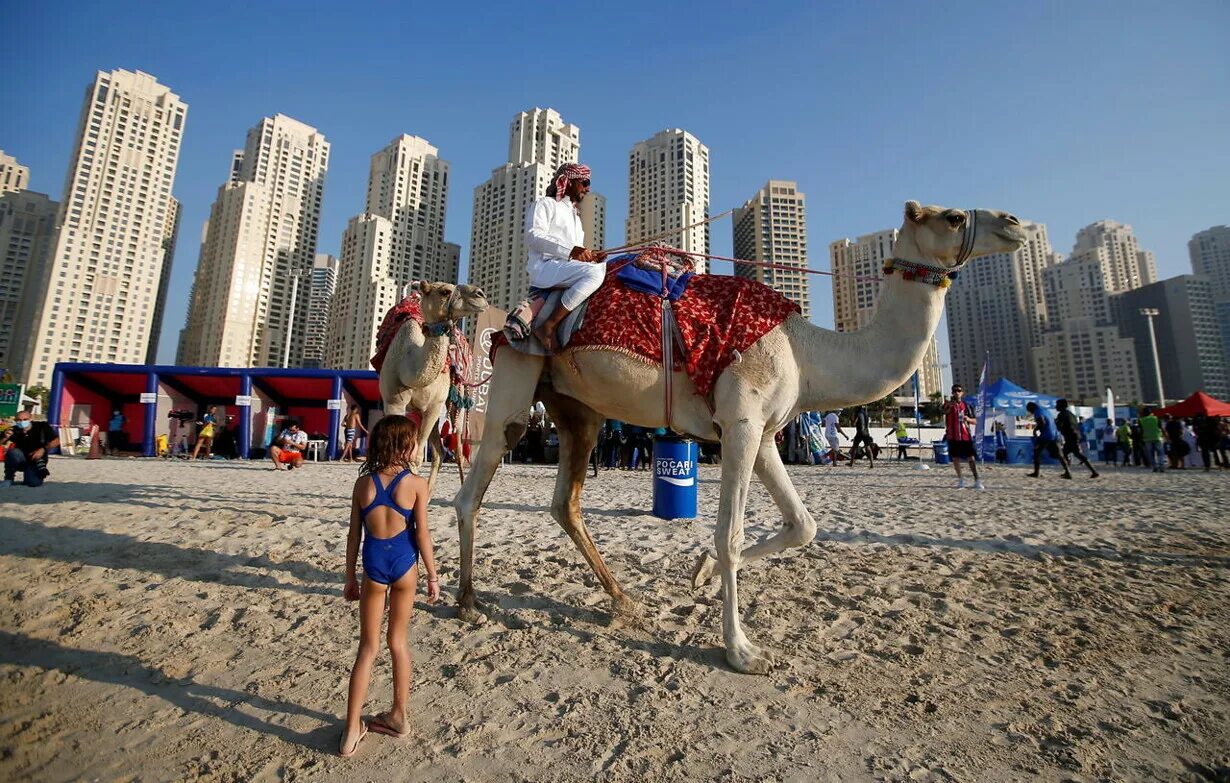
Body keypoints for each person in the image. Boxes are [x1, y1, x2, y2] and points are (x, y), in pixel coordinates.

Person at [339, 414, 439, 758]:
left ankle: (352, 729)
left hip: (373, 568)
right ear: (405, 445)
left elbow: (355, 535)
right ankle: (398, 715)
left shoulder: (362, 485)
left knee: (367, 648)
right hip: (404, 568)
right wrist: (433, 574)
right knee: (398, 642)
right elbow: (422, 533)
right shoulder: (416, 484)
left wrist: (350, 576)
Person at [525, 163, 606, 353]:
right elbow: (533, 236)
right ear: (568, 182)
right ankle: (548, 326)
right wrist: (572, 250)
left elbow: (575, 255)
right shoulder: (545, 204)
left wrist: (591, 257)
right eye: (584, 182)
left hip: (564, 269)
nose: (587, 188)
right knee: (595, 274)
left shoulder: (576, 218)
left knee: (603, 268)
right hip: (545, 267)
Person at [2, 411, 60, 487]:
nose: (22, 422)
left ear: (30, 418)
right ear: (15, 420)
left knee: (33, 483)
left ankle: (30, 474)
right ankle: (8, 479)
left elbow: (57, 440)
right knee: (13, 452)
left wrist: (43, 449)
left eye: (25, 419)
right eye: (19, 420)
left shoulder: (42, 427)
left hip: (36, 459)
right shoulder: (14, 430)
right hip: (20, 458)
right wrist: (5, 437)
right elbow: (1, 441)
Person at [943, 384, 983, 489]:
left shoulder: (967, 405)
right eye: (954, 391)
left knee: (971, 458)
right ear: (952, 392)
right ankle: (961, 480)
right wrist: (949, 406)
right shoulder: (948, 404)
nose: (956, 392)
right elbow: (943, 411)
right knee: (955, 459)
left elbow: (975, 421)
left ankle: (977, 480)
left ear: (962, 393)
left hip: (965, 436)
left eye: (959, 391)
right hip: (953, 436)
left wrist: (968, 419)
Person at [1026, 401, 1071, 479]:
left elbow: (1042, 423)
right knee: (1060, 455)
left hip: (1046, 435)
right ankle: (1068, 472)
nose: (1030, 412)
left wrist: (1035, 430)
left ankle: (1036, 473)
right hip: (1055, 434)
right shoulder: (1045, 411)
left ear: (1031, 408)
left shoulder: (1037, 412)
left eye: (1029, 410)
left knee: (1037, 453)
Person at [1055, 399, 1099, 478]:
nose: (1056, 406)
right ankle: (1093, 471)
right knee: (1072, 454)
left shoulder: (1062, 414)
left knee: (1064, 455)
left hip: (1070, 437)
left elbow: (1059, 426)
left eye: (1057, 405)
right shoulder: (1071, 414)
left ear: (1061, 406)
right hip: (1075, 436)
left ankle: (1068, 472)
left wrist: (1055, 422)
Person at [1139, 407, 1165, 473]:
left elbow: (1141, 431)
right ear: (1151, 413)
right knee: (1160, 452)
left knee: (1150, 454)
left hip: (1147, 439)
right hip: (1157, 437)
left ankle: (1154, 467)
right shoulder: (1156, 418)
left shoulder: (1141, 420)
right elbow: (1161, 428)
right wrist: (1166, 436)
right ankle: (1161, 466)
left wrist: (1141, 440)